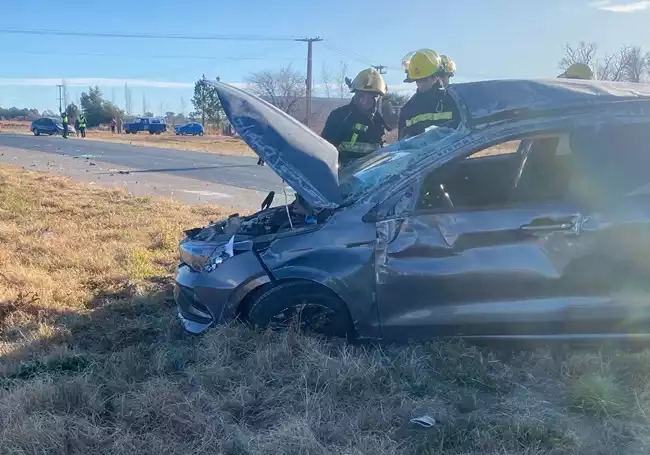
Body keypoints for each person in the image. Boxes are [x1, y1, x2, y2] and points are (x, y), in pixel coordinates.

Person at [321, 67, 390, 169]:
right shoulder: (340, 116)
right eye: (364, 95)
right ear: (358, 96)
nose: (373, 101)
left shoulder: (378, 120)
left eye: (375, 96)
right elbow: (324, 151)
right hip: (344, 177)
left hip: (371, 177)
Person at [398, 49, 461, 140]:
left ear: (435, 76)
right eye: (417, 80)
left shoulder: (454, 101)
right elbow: (402, 145)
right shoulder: (408, 108)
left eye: (424, 79)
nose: (420, 84)